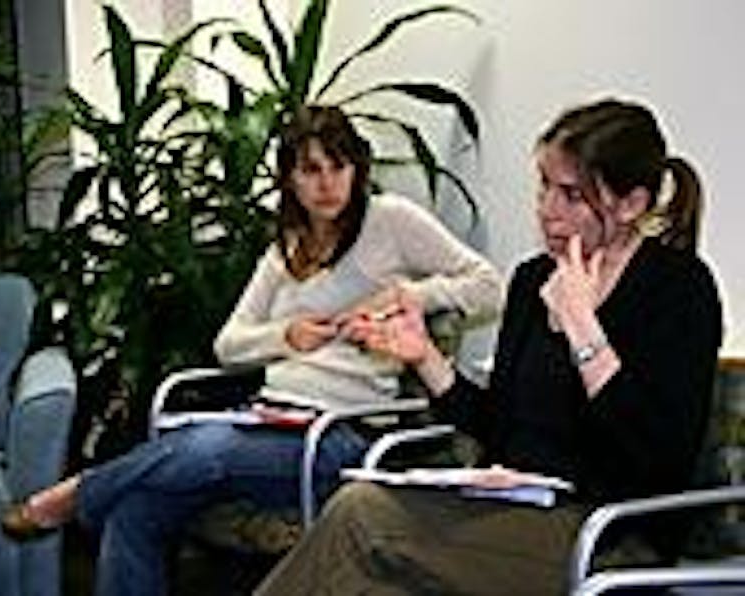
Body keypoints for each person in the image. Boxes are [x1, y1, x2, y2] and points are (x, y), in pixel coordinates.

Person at [0, 105, 503, 595]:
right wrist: (286, 335)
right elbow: (228, 345)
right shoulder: (286, 248)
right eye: (310, 170)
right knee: (137, 510)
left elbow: (487, 284)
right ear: (289, 178)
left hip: (339, 435)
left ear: (357, 169)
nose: (327, 184)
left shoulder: (390, 221)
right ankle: (98, 492)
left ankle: (77, 493)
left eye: (339, 166)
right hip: (268, 424)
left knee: (206, 446)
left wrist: (408, 295)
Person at [254, 98, 724, 596]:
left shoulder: (679, 290)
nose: (547, 210)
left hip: (608, 535)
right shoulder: (531, 279)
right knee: (360, 584)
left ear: (631, 204)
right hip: (511, 513)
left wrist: (585, 331)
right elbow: (500, 427)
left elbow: (658, 459)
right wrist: (426, 359)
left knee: (361, 514)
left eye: (571, 195)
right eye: (544, 187)